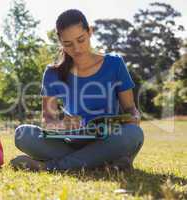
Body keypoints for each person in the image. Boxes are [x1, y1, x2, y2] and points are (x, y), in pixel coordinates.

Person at [10, 9, 144, 171]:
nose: (77, 49)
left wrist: (135, 117)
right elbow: (48, 120)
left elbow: (130, 109)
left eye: (81, 40)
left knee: (133, 134)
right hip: (72, 143)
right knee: (23, 134)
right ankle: (103, 163)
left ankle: (50, 167)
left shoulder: (115, 64)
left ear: (90, 32)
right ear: (60, 42)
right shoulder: (53, 73)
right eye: (68, 44)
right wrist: (62, 125)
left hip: (108, 139)